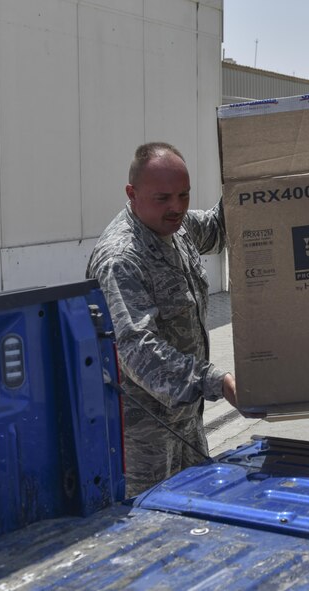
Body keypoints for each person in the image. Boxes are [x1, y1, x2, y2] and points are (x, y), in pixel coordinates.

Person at [87, 142, 243, 497]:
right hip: (144, 442)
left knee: (199, 518)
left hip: (186, 423)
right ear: (132, 193)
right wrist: (219, 382)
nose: (177, 208)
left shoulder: (176, 227)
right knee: (152, 534)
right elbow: (140, 353)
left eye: (184, 196)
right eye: (163, 198)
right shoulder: (122, 258)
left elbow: (220, 226)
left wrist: (248, 173)